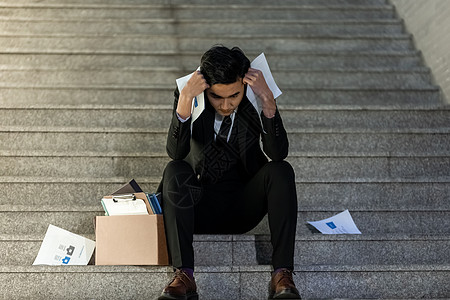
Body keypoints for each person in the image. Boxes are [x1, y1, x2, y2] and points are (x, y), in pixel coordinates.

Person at [157, 45, 300, 300]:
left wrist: (267, 99)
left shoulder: (254, 99)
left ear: (243, 86)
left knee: (281, 170)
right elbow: (176, 153)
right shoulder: (191, 97)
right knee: (174, 169)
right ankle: (184, 275)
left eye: (233, 95)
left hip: (243, 207)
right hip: (197, 207)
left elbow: (277, 153)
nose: (225, 105)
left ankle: (282, 274)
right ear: (205, 90)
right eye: (216, 97)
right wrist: (185, 99)